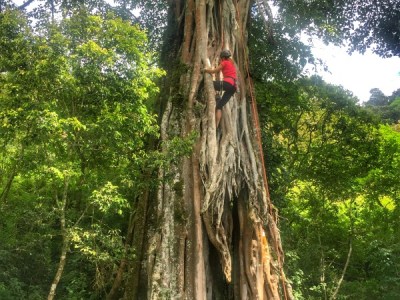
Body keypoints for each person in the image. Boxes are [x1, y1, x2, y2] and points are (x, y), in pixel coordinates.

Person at [204, 49, 237, 128]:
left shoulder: (224, 62)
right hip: (233, 87)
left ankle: (214, 125)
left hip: (227, 83)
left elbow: (214, 71)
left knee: (211, 83)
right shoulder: (232, 64)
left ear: (222, 57)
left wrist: (205, 70)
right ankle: (216, 125)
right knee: (219, 106)